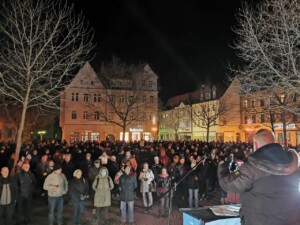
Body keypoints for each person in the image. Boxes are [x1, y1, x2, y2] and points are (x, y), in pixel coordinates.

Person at [218, 129, 300, 225]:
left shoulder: (251, 167)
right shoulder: (293, 162)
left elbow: (229, 184)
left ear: (255, 144)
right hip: (291, 220)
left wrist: (222, 167)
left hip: (260, 220)